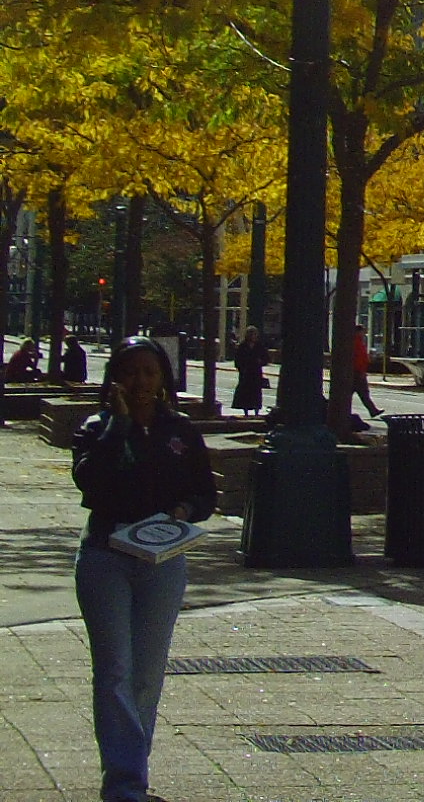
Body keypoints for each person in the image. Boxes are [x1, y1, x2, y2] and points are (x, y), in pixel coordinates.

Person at [71, 339, 215, 802]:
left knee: (147, 673)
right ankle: (124, 783)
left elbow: (205, 496)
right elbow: (89, 482)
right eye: (131, 372)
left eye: (150, 372)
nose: (141, 382)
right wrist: (119, 425)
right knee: (114, 669)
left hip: (162, 559)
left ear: (164, 378)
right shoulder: (97, 428)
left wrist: (183, 510)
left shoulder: (182, 432)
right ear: (115, 378)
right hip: (106, 557)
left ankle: (133, 768)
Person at [346, 325, 383, 424]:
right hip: (358, 372)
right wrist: (361, 370)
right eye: (362, 332)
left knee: (361, 393)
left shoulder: (358, 342)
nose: (364, 334)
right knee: (362, 393)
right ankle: (372, 410)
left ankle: (373, 410)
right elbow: (358, 358)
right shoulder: (356, 342)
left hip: (358, 372)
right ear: (358, 332)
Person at [229, 326, 268, 416]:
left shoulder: (259, 346)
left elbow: (266, 358)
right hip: (246, 373)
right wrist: (241, 368)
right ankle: (245, 411)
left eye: (254, 334)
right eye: (251, 334)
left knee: (256, 393)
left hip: (256, 373)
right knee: (245, 393)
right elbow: (237, 360)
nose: (252, 336)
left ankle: (256, 412)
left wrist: (261, 362)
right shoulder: (243, 346)